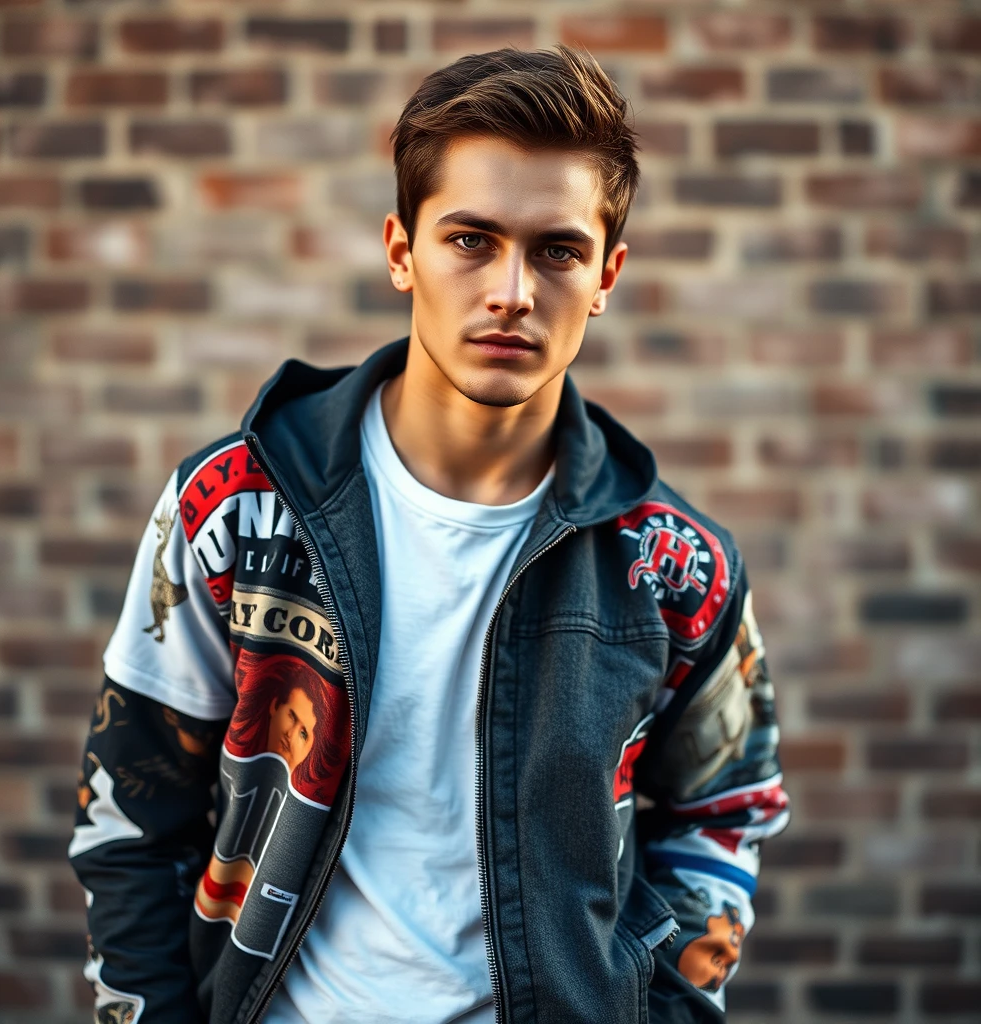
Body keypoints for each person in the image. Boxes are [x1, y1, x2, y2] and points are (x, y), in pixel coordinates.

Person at [70, 45, 789, 1024]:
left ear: (607, 274)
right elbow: (131, 809)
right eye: (470, 239)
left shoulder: (669, 566)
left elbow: (725, 806)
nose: (512, 292)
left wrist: (659, 1006)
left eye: (557, 251)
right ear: (401, 250)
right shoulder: (233, 507)